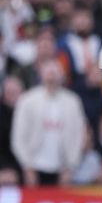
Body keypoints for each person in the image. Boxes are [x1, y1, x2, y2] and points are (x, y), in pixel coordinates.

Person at [11, 58, 88, 186]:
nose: (51, 78)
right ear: (41, 75)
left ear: (61, 76)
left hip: (62, 168)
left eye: (55, 73)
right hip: (34, 167)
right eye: (48, 73)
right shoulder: (27, 100)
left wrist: (71, 166)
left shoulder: (73, 101)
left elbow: (79, 135)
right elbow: (18, 137)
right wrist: (27, 166)